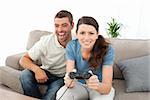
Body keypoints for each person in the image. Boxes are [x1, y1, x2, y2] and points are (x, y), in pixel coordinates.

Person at [19, 10, 74, 100]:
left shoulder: (77, 42)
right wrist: (37, 70)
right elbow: (23, 59)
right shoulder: (46, 41)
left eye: (64, 25)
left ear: (72, 25)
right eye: (57, 26)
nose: (60, 30)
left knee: (54, 92)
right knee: (25, 75)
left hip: (61, 77)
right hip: (46, 72)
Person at [56, 16, 115, 100]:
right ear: (76, 34)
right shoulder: (72, 46)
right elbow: (69, 74)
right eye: (82, 33)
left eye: (91, 33)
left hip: (99, 86)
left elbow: (107, 88)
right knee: (62, 94)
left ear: (97, 34)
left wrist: (96, 85)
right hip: (79, 85)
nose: (86, 38)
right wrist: (69, 81)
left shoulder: (108, 49)